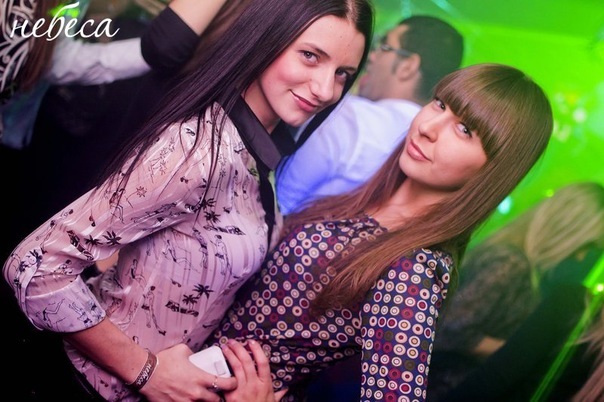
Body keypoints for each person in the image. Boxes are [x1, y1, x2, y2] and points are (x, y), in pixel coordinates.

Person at [1, 0, 374, 400]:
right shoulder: (199, 151)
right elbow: (35, 267)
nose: (325, 89)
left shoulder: (253, 155)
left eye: (342, 73)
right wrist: (145, 371)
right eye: (310, 56)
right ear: (266, 37)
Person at [205, 62, 554, 402]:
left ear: (492, 171)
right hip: (193, 372)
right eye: (440, 104)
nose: (429, 127)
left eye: (464, 130)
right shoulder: (371, 204)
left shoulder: (414, 268)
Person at [425, 181, 604, 401]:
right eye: (589, 246)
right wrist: (522, 351)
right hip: (439, 387)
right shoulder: (512, 264)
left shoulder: (526, 268)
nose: (583, 257)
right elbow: (450, 330)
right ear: (568, 232)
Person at [276, 15, 464, 215]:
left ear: (407, 66)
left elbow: (279, 202)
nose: (371, 56)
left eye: (384, 46)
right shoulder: (432, 155)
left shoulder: (348, 117)